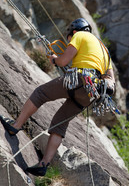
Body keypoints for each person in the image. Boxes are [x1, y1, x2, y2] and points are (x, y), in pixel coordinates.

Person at [0, 18, 115, 176]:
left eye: (70, 37)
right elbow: (111, 80)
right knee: (60, 123)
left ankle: (15, 125)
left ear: (74, 31)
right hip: (91, 92)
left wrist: (54, 59)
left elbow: (63, 61)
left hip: (79, 78)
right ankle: (43, 164)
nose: (70, 39)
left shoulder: (80, 35)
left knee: (41, 93)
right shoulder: (104, 50)